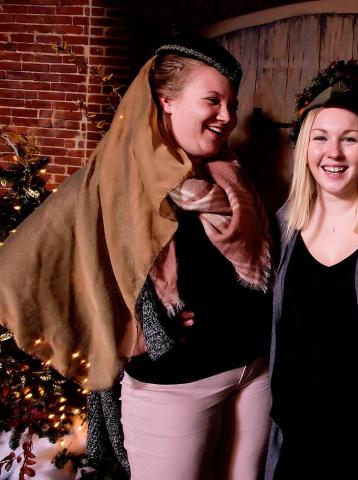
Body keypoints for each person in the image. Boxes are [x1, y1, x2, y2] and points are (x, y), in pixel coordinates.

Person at [0, 35, 272, 479]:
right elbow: (18, 269)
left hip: (253, 373)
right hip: (177, 388)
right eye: (212, 100)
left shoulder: (228, 174)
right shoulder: (117, 178)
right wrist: (138, 327)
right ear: (166, 101)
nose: (227, 116)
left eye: (231, 104)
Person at [264, 83, 358, 479]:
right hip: (294, 436)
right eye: (320, 138)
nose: (334, 153)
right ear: (304, 150)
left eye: (349, 139)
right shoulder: (281, 228)